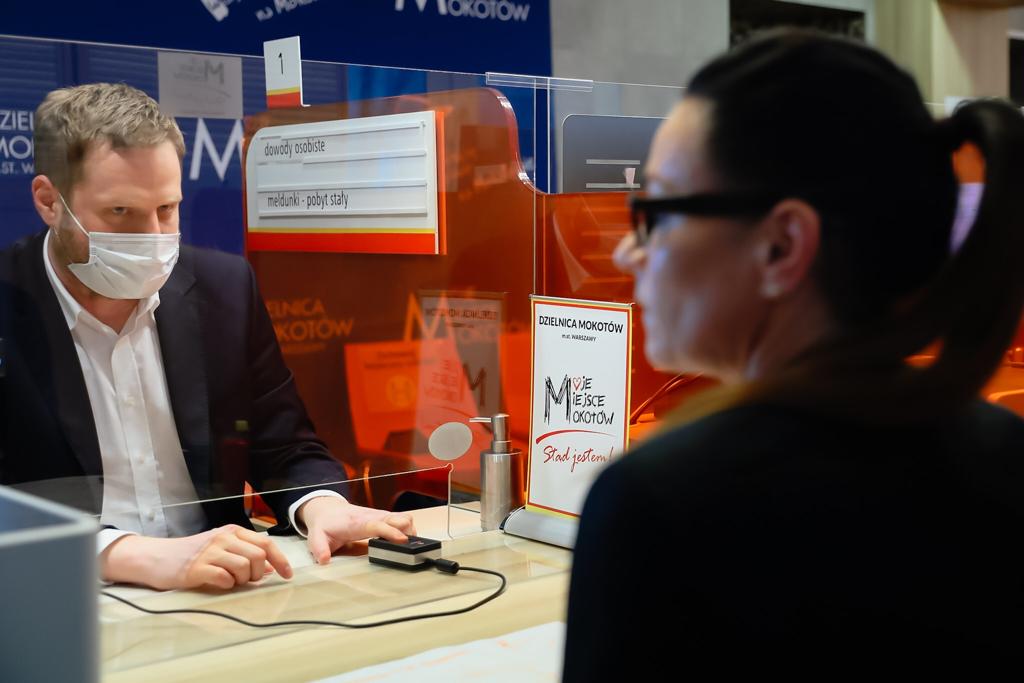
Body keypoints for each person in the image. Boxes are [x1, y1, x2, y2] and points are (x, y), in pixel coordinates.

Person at [562, 30, 1024, 679]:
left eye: (657, 212)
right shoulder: (1005, 452)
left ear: (782, 246)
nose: (624, 252)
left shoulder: (663, 500)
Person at [0, 83, 415, 591]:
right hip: (55, 594)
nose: (153, 238)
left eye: (167, 209)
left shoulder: (224, 289)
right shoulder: (8, 301)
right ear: (49, 201)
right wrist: (127, 554)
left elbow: (285, 444)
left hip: (223, 586)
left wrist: (321, 505)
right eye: (120, 213)